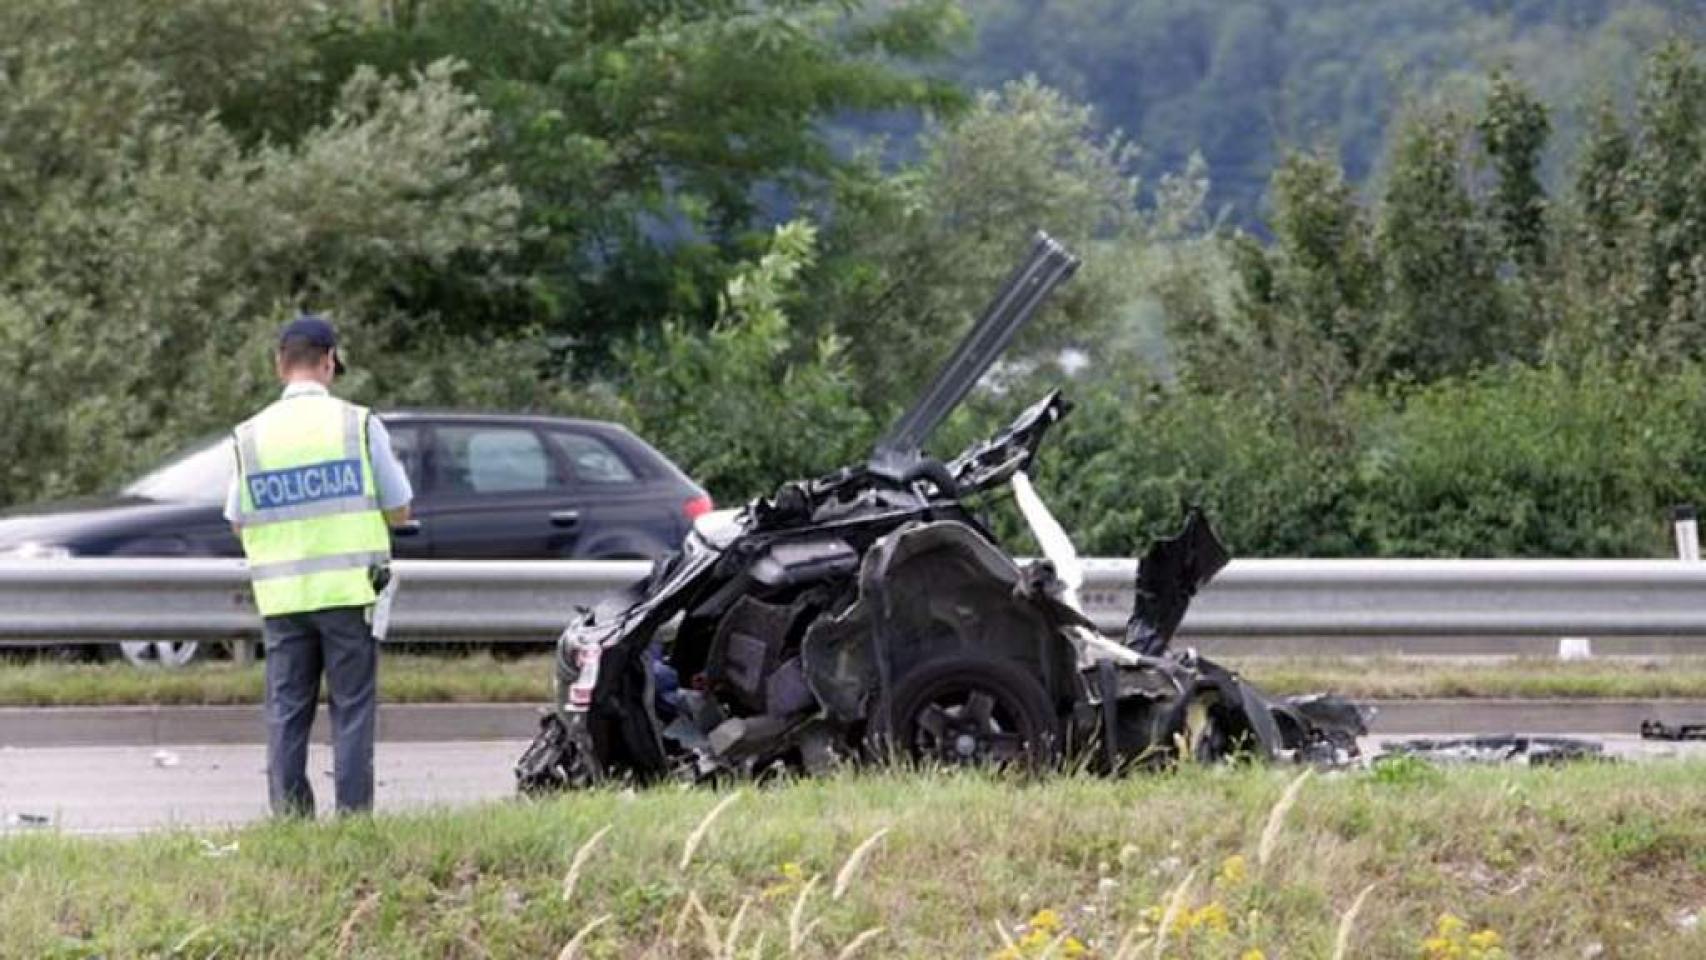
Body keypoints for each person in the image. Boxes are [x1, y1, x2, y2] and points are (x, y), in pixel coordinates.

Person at [224, 314, 412, 816]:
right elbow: (399, 508)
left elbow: (238, 521)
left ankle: (291, 819)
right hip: (349, 593)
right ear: (329, 362)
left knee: (286, 712)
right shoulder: (358, 424)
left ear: (279, 364)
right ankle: (353, 818)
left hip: (283, 597)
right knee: (352, 712)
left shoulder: (250, 435)